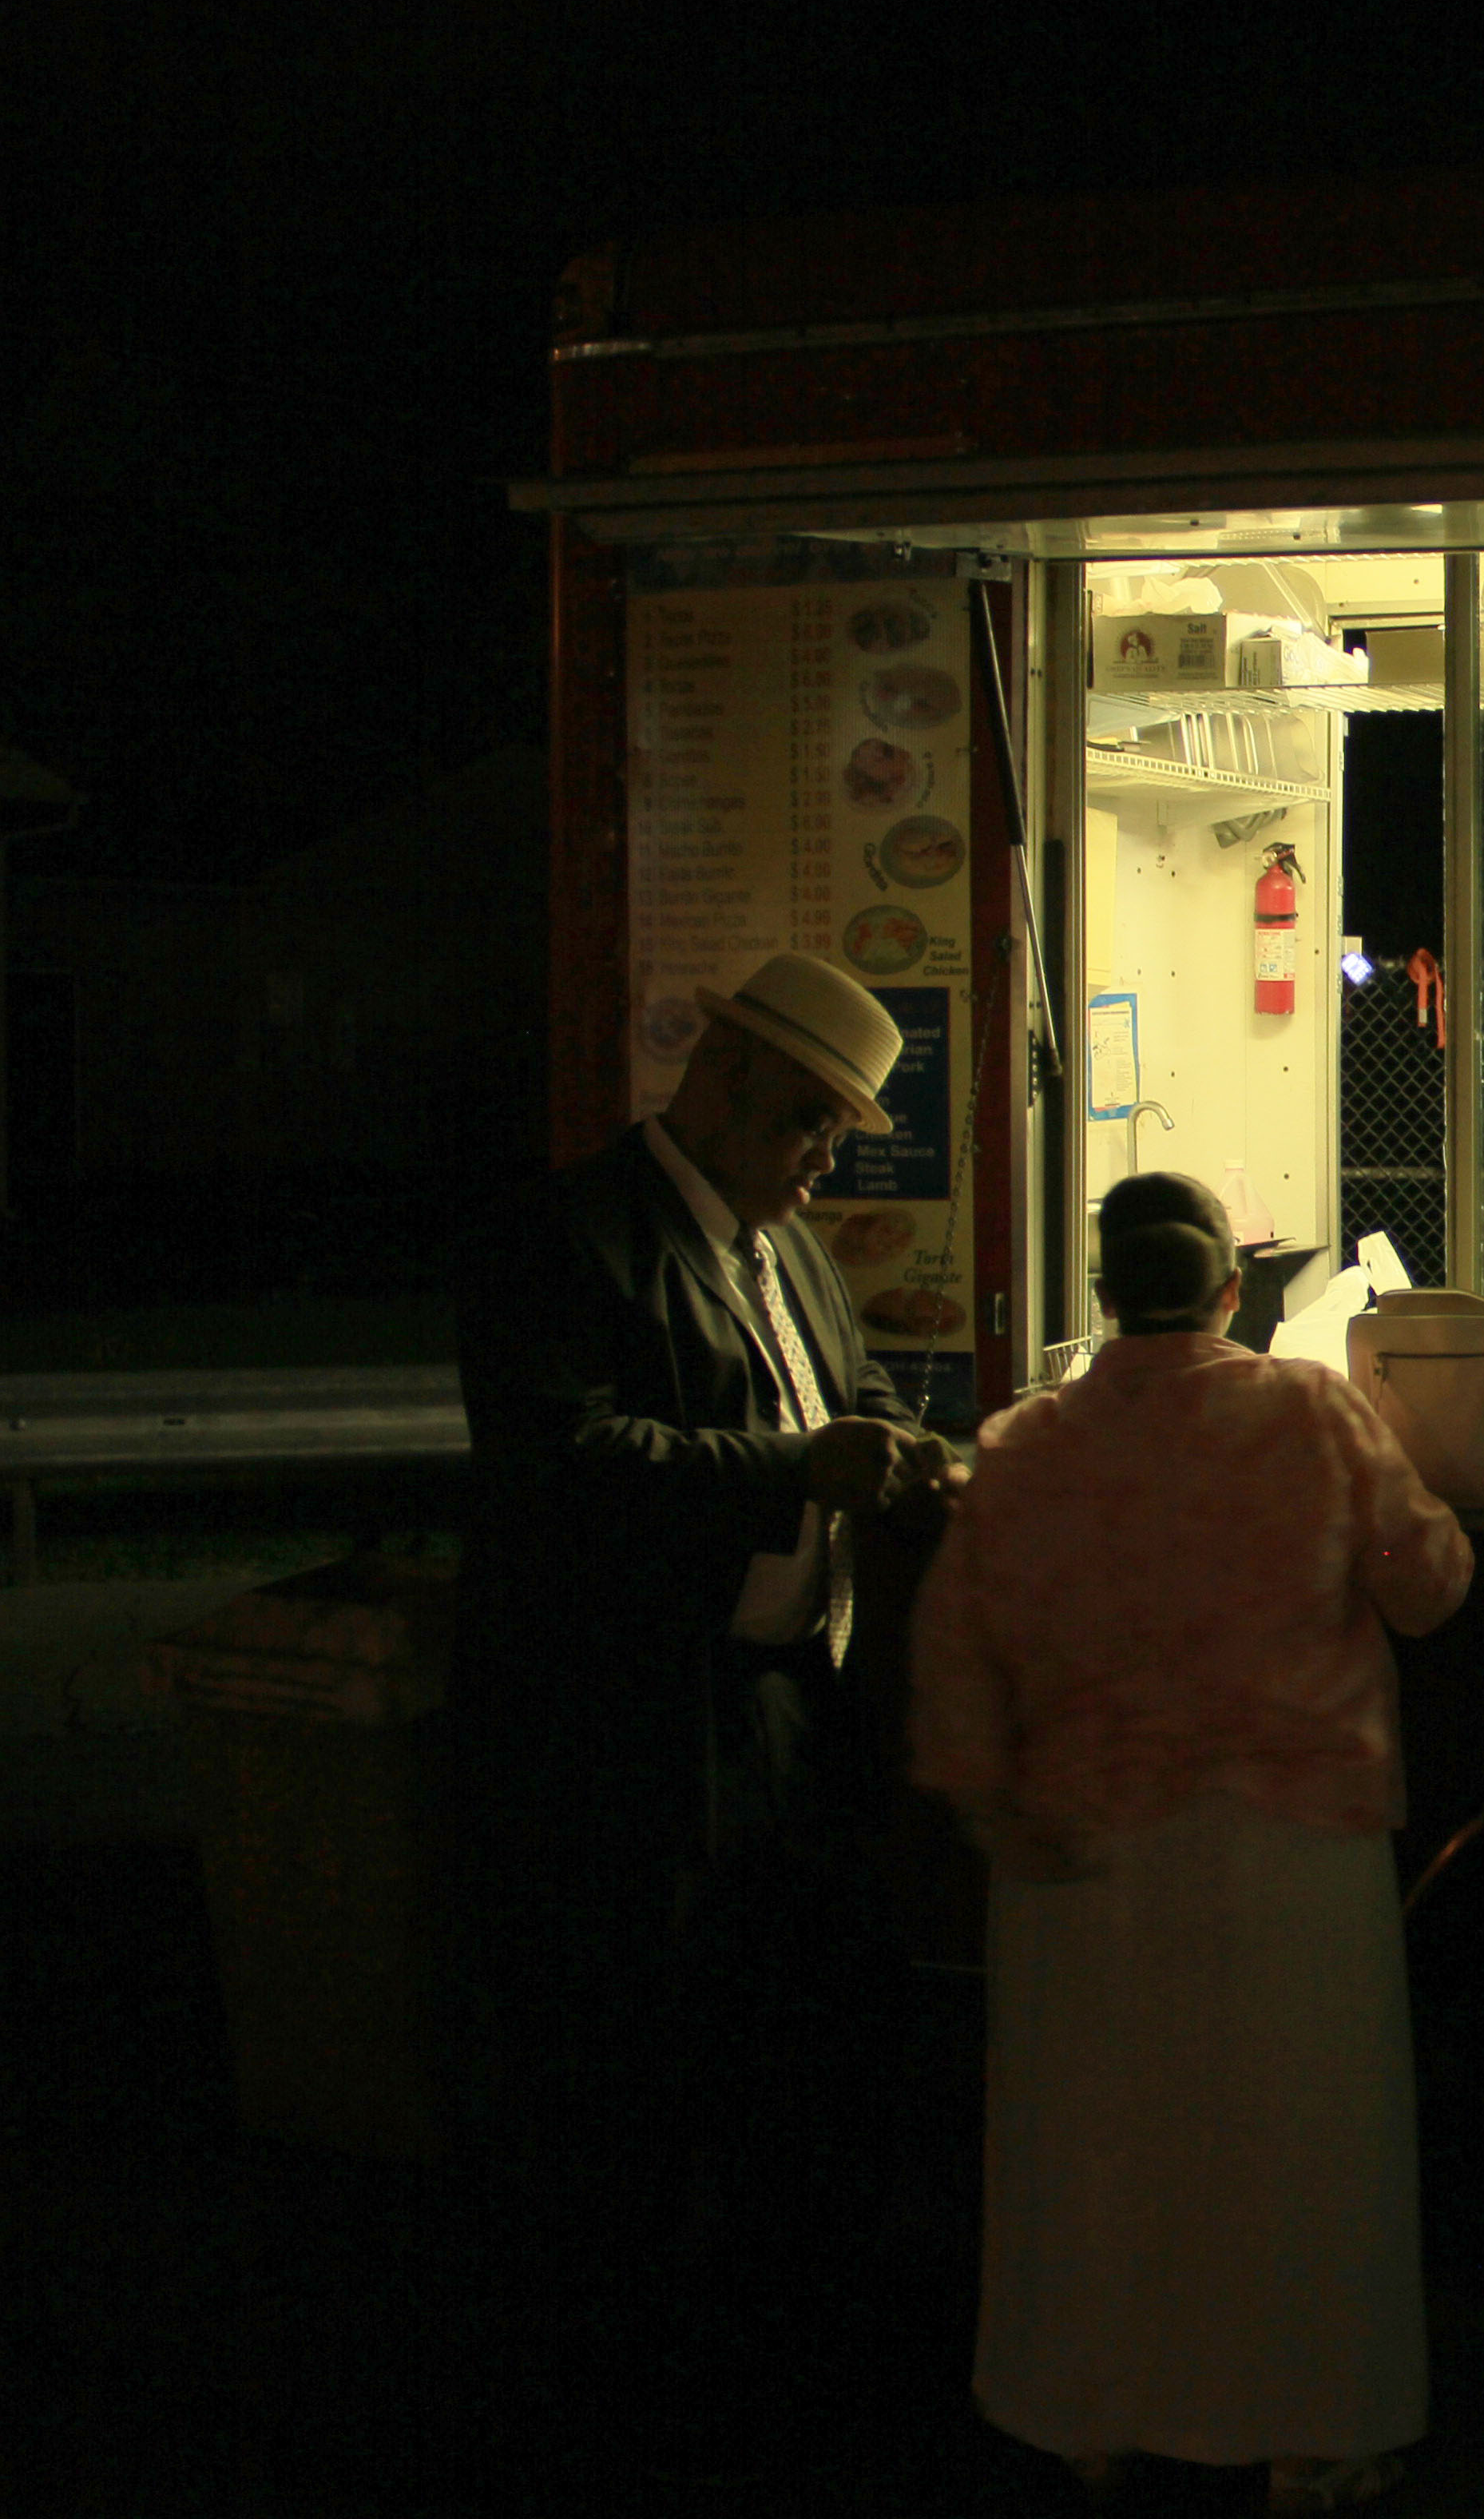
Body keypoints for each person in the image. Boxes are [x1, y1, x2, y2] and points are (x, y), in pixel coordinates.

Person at [446, 949, 958, 2443]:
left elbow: (841, 1388)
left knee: (784, 2046)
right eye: (806, 1127)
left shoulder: (785, 1250)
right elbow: (563, 1467)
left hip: (785, 1712)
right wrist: (796, 1469)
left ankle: (762, 2365)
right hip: (626, 1729)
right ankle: (604, 2391)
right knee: (625, 2069)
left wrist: (875, 1432)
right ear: (721, 1081)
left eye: (836, 1140)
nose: (818, 1166)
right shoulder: (565, 1238)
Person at [910, 1173, 1473, 2517]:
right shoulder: (1314, 1411)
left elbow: (952, 1666)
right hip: (1297, 1848)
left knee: (1094, 2150)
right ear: (1234, 1287)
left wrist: (992, 1811)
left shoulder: (1024, 1445)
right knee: (1297, 2145)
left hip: (1081, 1846)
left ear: (1102, 1291)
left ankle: (1084, 2417)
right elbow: (1427, 1585)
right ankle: (1309, 2435)